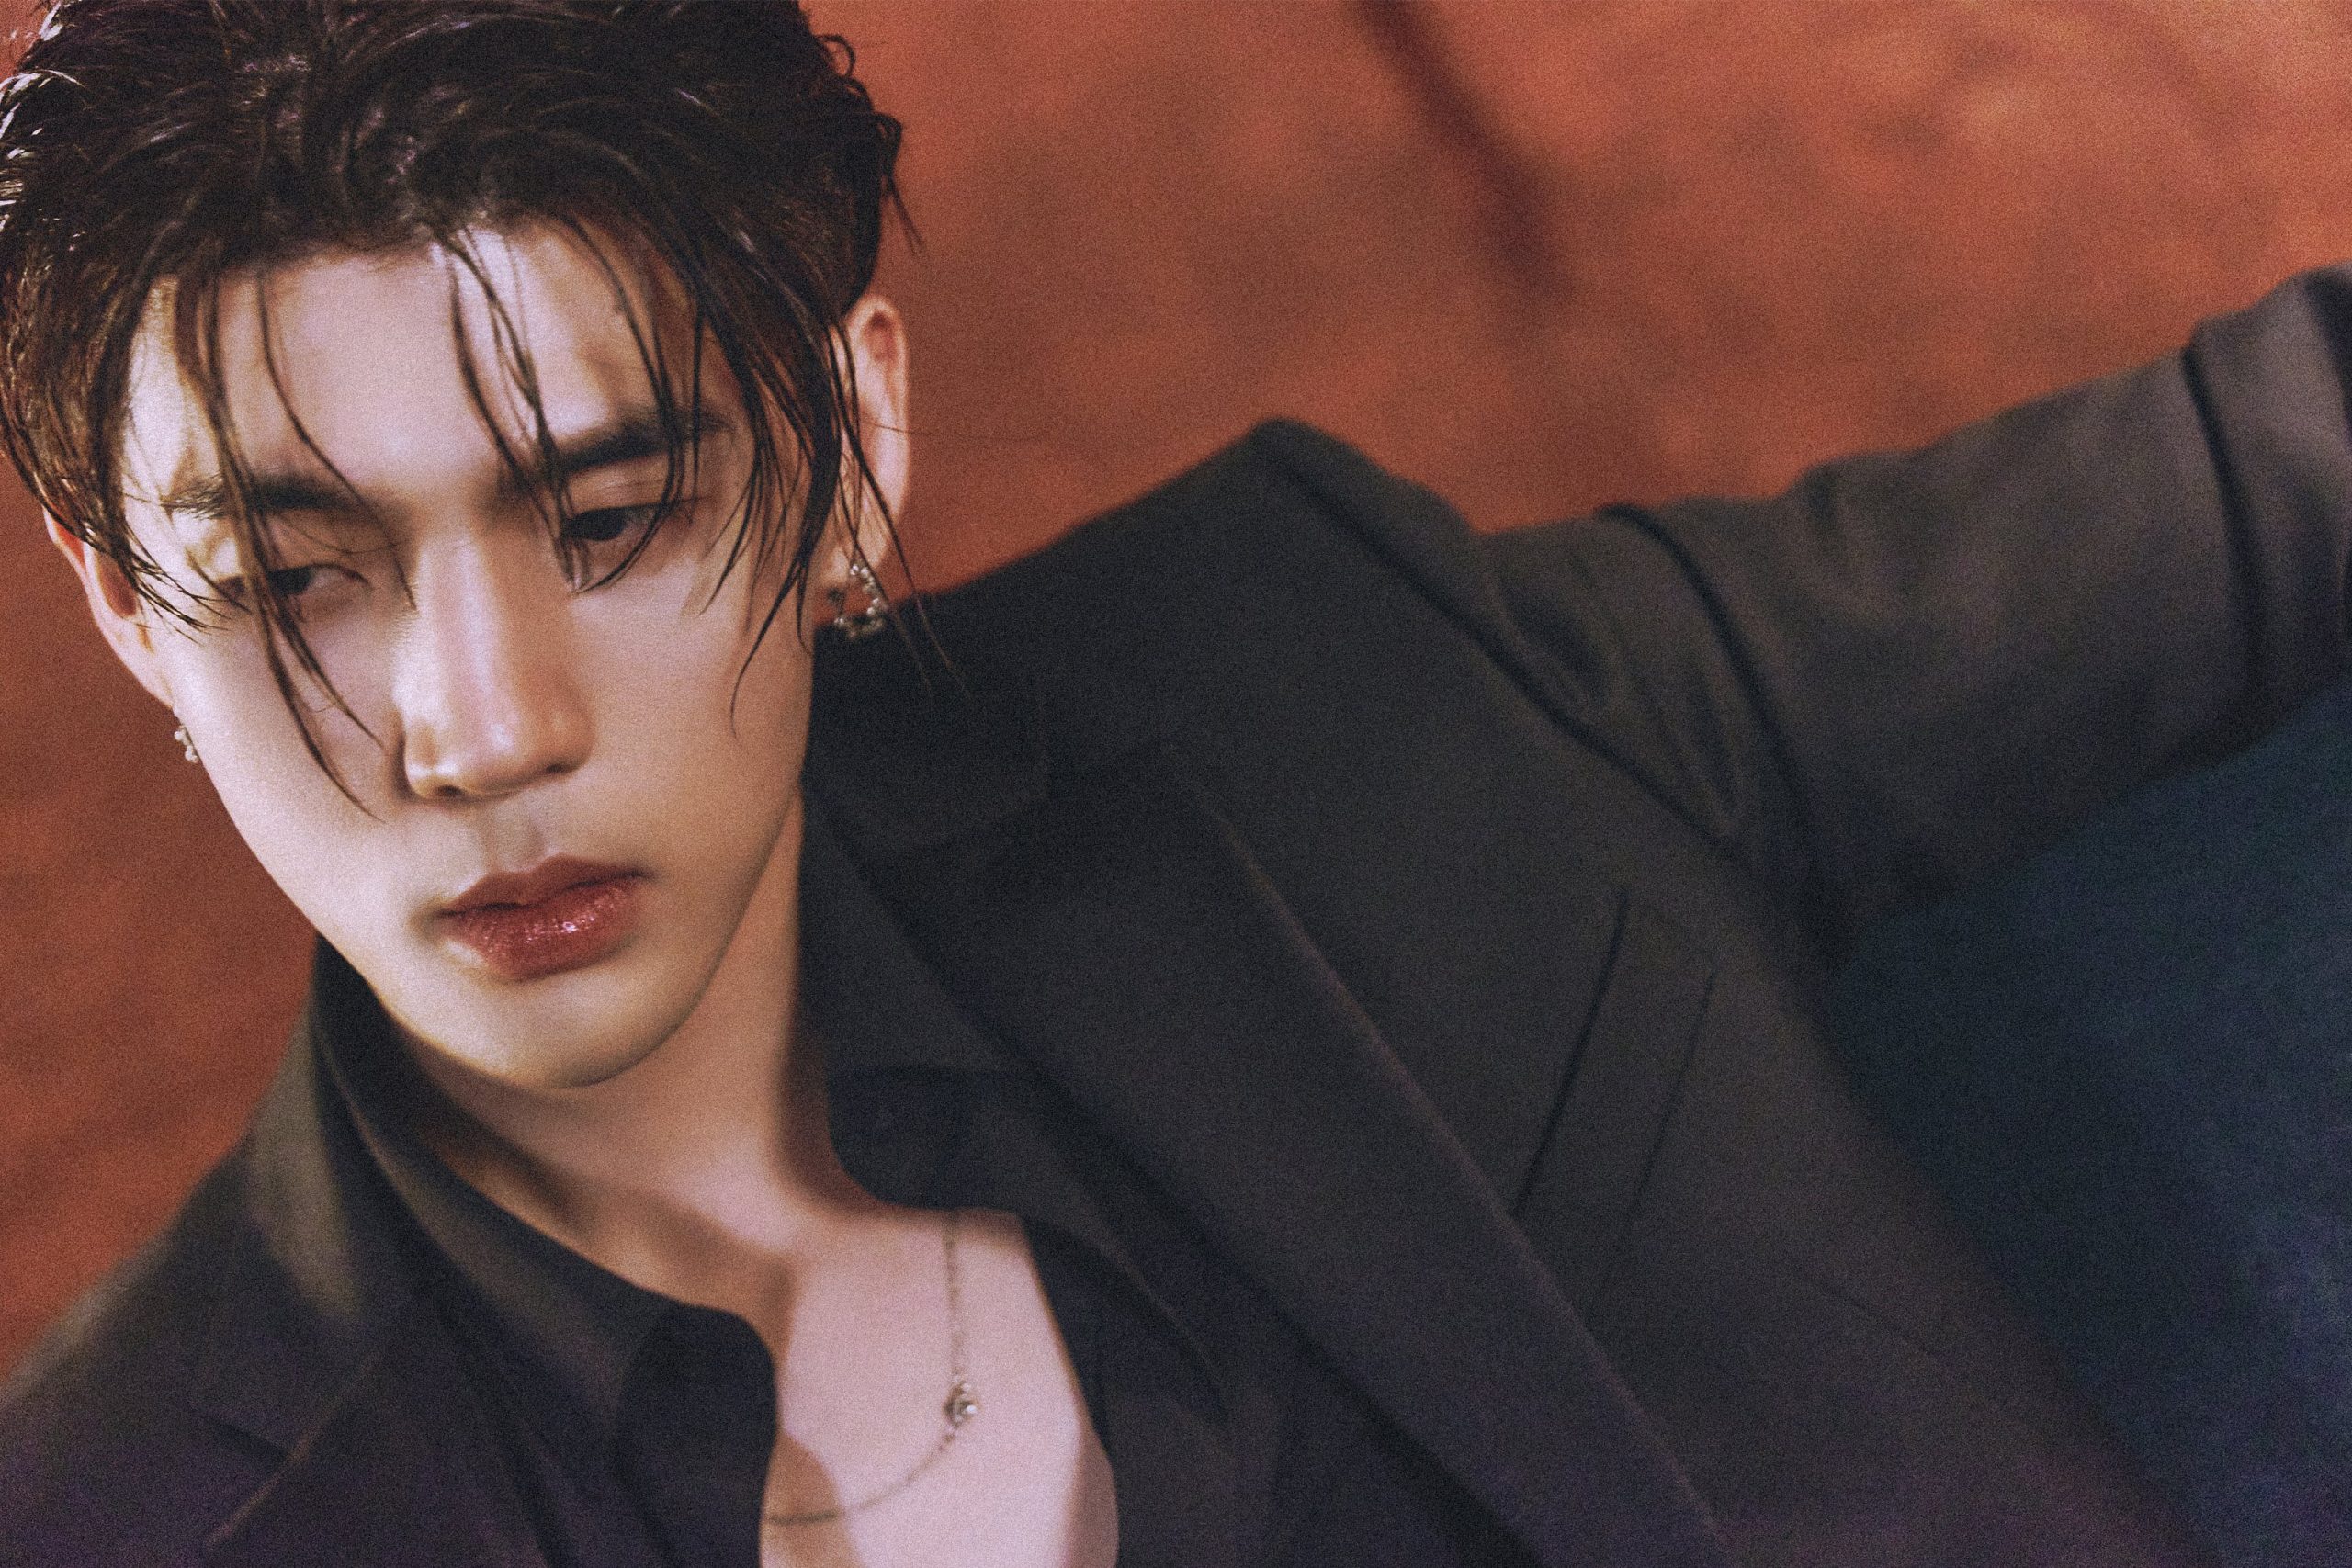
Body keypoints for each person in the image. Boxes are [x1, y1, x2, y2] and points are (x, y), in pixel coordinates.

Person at [0, 2, 2340, 1565]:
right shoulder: (119, 1516)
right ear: (124, 606)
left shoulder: (1327, 688)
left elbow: (2251, 480)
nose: (477, 723)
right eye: (292, 577)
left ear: (852, 445)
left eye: (609, 519)